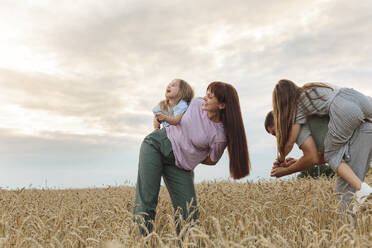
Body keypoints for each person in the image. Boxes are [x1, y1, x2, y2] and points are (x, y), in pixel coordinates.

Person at [133, 81, 250, 235]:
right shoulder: (196, 104)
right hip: (156, 145)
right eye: (206, 94)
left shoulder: (219, 136)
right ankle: (141, 243)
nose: (204, 98)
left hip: (180, 164)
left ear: (222, 105)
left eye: (210, 97)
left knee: (189, 213)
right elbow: (174, 111)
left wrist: (190, 154)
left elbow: (212, 160)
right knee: (147, 201)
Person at [271, 79, 372, 210]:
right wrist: (297, 162)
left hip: (342, 110)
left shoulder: (297, 107)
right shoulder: (310, 90)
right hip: (354, 97)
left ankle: (362, 189)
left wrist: (281, 159)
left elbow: (290, 141)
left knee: (332, 156)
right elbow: (316, 158)